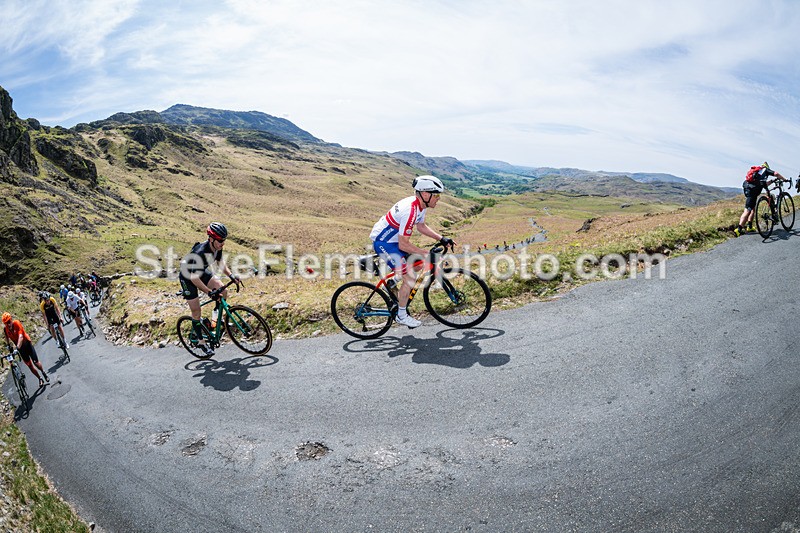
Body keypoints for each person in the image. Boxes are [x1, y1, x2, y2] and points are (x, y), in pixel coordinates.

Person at [369, 176, 454, 328]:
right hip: (384, 243)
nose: (438, 198)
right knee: (410, 276)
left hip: (394, 241)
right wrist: (425, 253)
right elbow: (404, 245)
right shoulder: (410, 211)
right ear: (425, 194)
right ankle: (401, 315)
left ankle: (391, 282)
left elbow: (421, 226)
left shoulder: (420, 205)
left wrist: (441, 238)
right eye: (436, 195)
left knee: (419, 264)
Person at [178, 222, 241, 356]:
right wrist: (208, 292)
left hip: (200, 272)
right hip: (187, 277)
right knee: (196, 312)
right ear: (211, 239)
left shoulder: (217, 247)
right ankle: (201, 341)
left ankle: (215, 322)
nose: (223, 243)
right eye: (220, 240)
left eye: (224, 240)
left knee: (223, 291)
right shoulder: (200, 252)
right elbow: (194, 279)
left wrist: (231, 276)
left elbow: (220, 263)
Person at [736, 162, 787, 236]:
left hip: (747, 187)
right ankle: (738, 230)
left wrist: (772, 181)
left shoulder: (759, 173)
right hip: (752, 190)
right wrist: (784, 179)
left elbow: (764, 184)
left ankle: (749, 227)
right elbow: (776, 173)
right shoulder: (765, 170)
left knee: (752, 209)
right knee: (747, 210)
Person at [2, 312, 49, 387]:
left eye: (9, 322)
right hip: (21, 349)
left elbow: (21, 337)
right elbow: (7, 337)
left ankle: (43, 372)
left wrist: (17, 347)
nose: (8, 324)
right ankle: (40, 378)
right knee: (30, 365)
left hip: (27, 344)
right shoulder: (6, 329)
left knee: (35, 362)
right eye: (6, 323)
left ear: (11, 319)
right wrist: (8, 346)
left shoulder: (17, 323)